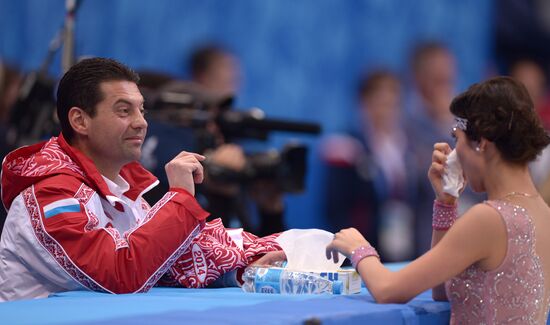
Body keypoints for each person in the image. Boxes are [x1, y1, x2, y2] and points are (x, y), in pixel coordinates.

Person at [0, 58, 281, 301]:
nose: (141, 122)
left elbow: (170, 264)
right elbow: (119, 274)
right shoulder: (51, 193)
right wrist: (180, 199)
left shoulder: (123, 188)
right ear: (80, 121)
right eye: (124, 110)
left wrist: (243, 267)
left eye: (141, 110)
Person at [326, 76, 550, 323]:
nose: (454, 154)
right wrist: (446, 203)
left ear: (482, 144)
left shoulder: (489, 218)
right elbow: (443, 289)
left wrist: (358, 247)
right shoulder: (543, 212)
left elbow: (388, 289)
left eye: (457, 139)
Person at [321, 70, 417, 261]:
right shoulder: (345, 146)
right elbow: (335, 208)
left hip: (402, 246)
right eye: (381, 103)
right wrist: (353, 253)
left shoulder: (407, 147)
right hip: (361, 251)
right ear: (364, 103)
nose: (388, 111)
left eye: (394, 104)